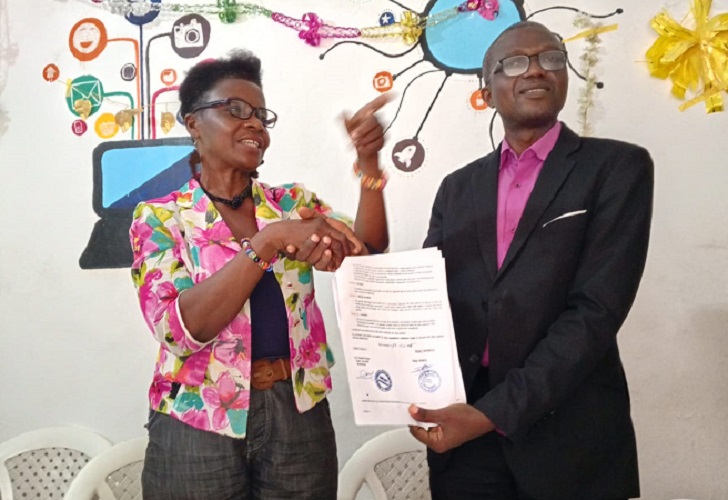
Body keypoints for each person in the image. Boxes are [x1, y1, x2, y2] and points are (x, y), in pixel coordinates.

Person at [408, 21, 653, 499]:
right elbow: (427, 298)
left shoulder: (617, 168)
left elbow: (595, 312)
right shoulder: (457, 188)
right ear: (486, 91)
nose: (536, 70)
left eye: (551, 58)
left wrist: (492, 413)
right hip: (464, 435)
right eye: (516, 62)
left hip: (570, 433)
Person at [129, 50, 389, 499]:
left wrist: (368, 162)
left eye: (261, 115)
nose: (254, 124)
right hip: (197, 419)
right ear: (193, 124)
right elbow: (181, 330)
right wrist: (268, 242)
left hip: (297, 413)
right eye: (235, 110)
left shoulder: (291, 204)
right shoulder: (160, 217)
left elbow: (367, 247)